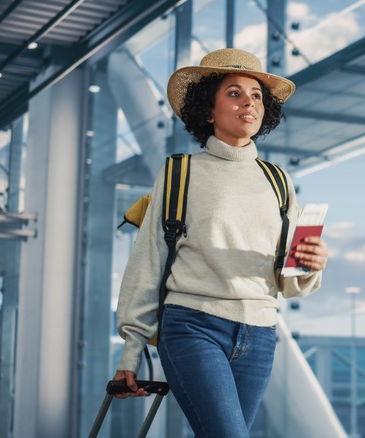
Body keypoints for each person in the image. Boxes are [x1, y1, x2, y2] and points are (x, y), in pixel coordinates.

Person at [112, 48, 328, 437]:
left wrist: (310, 265)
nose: (249, 101)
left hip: (260, 333)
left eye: (257, 95)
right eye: (234, 92)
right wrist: (132, 347)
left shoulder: (279, 182)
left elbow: (290, 282)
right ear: (208, 111)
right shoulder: (180, 172)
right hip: (194, 325)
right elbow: (148, 258)